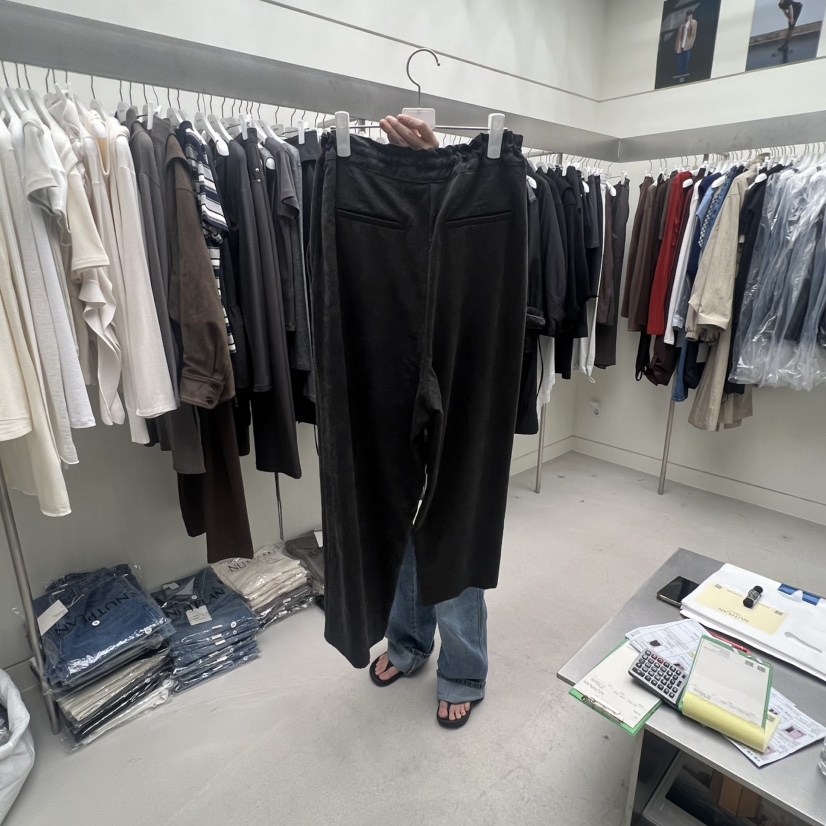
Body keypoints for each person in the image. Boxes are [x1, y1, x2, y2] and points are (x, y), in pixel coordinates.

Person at [368, 113, 489, 730]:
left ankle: (463, 668)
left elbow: (472, 243)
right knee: (399, 506)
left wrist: (436, 166)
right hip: (391, 304)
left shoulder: (483, 181)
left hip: (458, 313)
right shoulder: (361, 181)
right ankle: (408, 641)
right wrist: (398, 175)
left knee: (451, 515)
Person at [675, 10, 698, 76]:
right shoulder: (683, 25)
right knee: (680, 59)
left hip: (687, 45)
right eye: (687, 15)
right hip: (681, 44)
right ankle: (680, 72)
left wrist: (690, 19)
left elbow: (693, 31)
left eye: (690, 15)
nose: (688, 16)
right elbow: (679, 36)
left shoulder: (693, 22)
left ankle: (684, 71)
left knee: (686, 59)